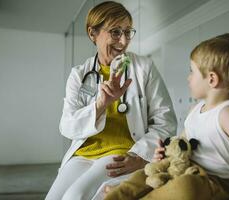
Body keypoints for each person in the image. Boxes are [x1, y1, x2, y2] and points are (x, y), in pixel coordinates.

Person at [104, 33, 229, 200]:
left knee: (185, 188)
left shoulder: (228, 114)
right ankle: (119, 194)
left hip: (212, 181)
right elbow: (183, 143)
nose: (188, 78)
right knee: (144, 174)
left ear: (212, 79)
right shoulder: (196, 109)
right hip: (182, 168)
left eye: (192, 72)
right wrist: (166, 154)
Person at [45, 1, 177, 200]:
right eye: (115, 32)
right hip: (83, 153)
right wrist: (100, 105)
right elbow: (67, 126)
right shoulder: (79, 74)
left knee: (75, 196)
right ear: (93, 33)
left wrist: (140, 156)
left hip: (120, 153)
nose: (123, 41)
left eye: (127, 32)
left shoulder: (144, 68)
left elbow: (165, 121)